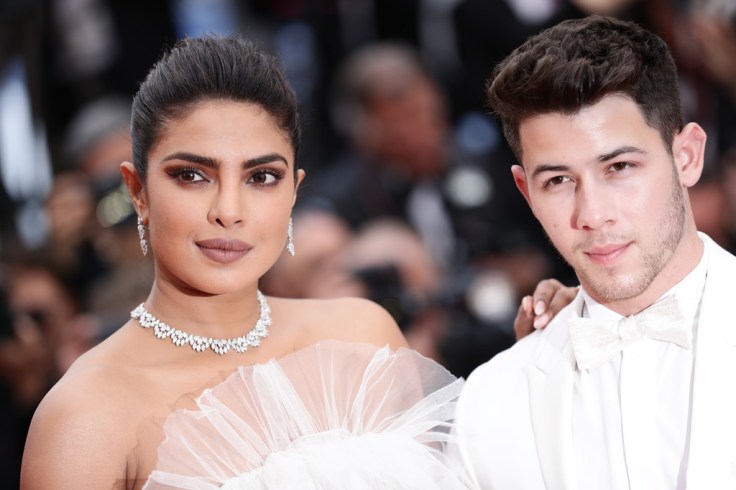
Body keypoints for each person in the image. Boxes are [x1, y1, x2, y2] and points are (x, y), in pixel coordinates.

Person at [19, 36, 475, 489]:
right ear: (138, 192)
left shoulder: (364, 335)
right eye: (192, 175)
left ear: (294, 192)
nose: (229, 210)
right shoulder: (85, 416)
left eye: (262, 177)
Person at [453, 15, 736, 489]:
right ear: (526, 192)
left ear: (686, 157)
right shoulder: (489, 402)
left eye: (619, 167)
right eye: (558, 180)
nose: (593, 214)